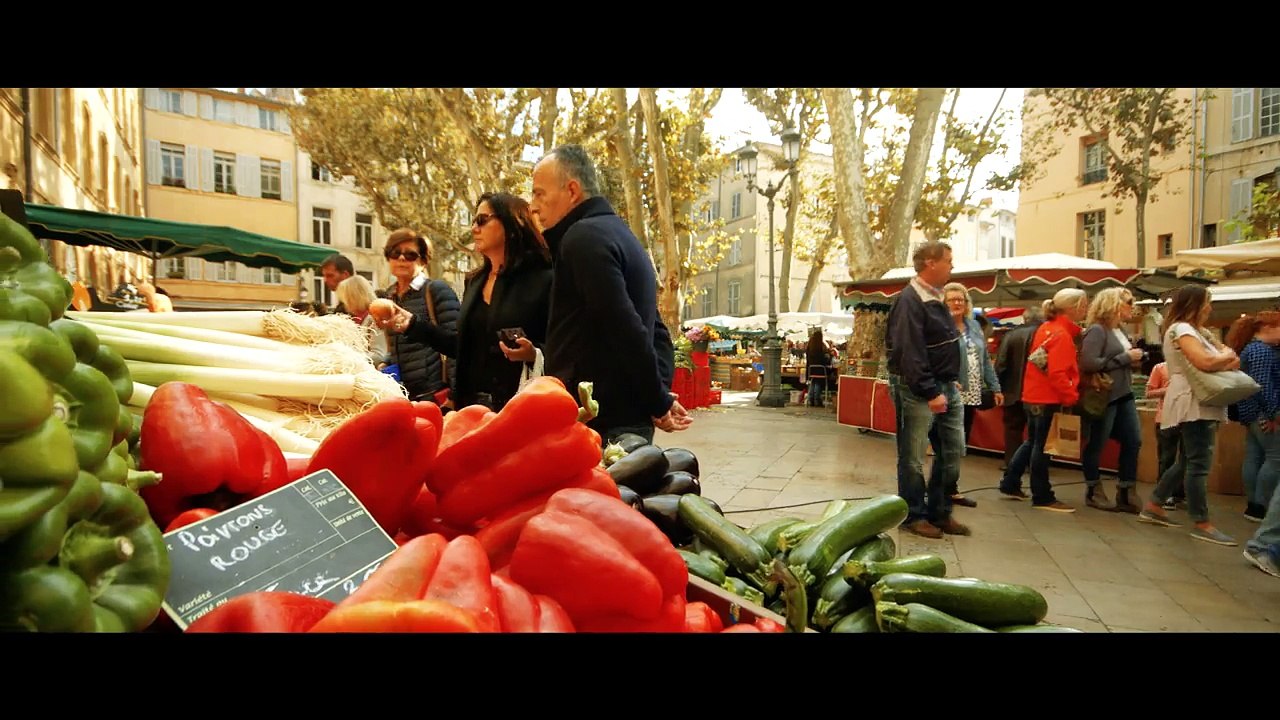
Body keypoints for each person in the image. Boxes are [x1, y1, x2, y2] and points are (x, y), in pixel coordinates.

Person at [530, 144, 689, 446]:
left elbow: (625, 326)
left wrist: (657, 400)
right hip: (626, 421)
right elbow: (656, 332)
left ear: (572, 190)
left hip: (601, 426)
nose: (533, 205)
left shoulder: (582, 238)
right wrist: (657, 396)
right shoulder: (622, 235)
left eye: (539, 193)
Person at [382, 192, 553, 412]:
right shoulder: (474, 281)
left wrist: (534, 353)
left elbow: (565, 347)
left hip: (521, 406)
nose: (474, 228)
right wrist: (411, 324)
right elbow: (462, 347)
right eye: (473, 221)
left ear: (512, 223)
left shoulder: (544, 278)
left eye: (482, 220)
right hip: (472, 408)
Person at [1138, 285, 1240, 546]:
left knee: (1188, 460)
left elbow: (1227, 360)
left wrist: (1224, 356)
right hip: (1193, 401)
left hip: (1195, 399)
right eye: (1207, 302)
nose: (1210, 307)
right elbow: (1206, 362)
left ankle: (1155, 504)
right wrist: (1225, 355)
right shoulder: (1183, 330)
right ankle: (1201, 522)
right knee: (1198, 463)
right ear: (1195, 304)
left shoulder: (1195, 331)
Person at [885, 241, 968, 539]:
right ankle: (913, 515)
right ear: (931, 263)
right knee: (913, 456)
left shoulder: (935, 297)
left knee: (952, 451)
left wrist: (949, 379)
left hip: (944, 385)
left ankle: (940, 511)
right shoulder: (910, 300)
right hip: (919, 388)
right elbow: (909, 350)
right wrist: (931, 390)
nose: (952, 266)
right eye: (948, 260)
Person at [999, 288, 1089, 513]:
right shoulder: (1062, 335)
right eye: (1084, 304)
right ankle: (1042, 495)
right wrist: (1071, 396)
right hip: (1047, 397)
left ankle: (1010, 482)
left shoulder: (1047, 329)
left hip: (1033, 395)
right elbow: (1058, 373)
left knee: (1032, 442)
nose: (1086, 309)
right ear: (1073, 308)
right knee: (1042, 447)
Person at [933, 283, 1002, 508]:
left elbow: (984, 361)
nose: (957, 303)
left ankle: (950, 488)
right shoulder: (939, 326)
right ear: (944, 303)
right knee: (947, 443)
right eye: (952, 299)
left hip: (972, 392)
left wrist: (995, 387)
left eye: (960, 299)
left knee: (960, 443)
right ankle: (940, 489)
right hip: (950, 391)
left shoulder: (974, 326)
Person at [1077, 287, 1146, 513]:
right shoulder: (1097, 330)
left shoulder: (1119, 330)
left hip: (1123, 393)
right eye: (1128, 302)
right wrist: (1125, 358)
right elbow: (1089, 363)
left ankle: (1126, 489)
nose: (1131, 307)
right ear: (1113, 305)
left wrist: (1133, 358)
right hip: (1104, 395)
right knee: (1097, 442)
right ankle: (1093, 489)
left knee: (1133, 440)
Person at [376, 229, 460, 408]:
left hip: (434, 395)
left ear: (423, 261)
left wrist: (454, 396)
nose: (401, 259)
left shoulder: (436, 290)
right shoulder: (390, 297)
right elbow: (400, 346)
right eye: (395, 253)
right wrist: (386, 362)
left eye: (410, 255)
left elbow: (457, 346)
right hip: (404, 396)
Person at [1225, 311, 1280, 523]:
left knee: (1254, 456)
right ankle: (1260, 505)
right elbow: (1262, 385)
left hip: (1250, 411)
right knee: (1275, 458)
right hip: (1262, 413)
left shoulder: (1252, 349)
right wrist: (1274, 412)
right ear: (1267, 327)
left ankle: (1254, 505)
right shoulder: (1262, 351)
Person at [996, 306, 1044, 471]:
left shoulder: (1011, 334)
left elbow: (1000, 364)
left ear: (1024, 318)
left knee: (1012, 429)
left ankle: (1012, 463)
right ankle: (1035, 463)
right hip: (1038, 392)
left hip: (1011, 391)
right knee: (1037, 432)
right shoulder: (1046, 333)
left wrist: (998, 388)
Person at [1145, 361, 1186, 510]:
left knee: (1185, 458)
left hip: (1186, 418)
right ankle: (1163, 494)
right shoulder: (1160, 368)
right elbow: (1149, 392)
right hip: (1165, 419)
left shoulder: (1191, 368)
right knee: (1166, 458)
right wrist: (1169, 390)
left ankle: (1179, 493)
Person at [336, 275, 389, 366]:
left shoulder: (376, 318)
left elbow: (379, 355)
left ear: (355, 297)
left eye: (345, 298)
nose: (344, 303)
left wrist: (348, 358)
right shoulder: (358, 318)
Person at [806, 328, 834, 407]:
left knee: (813, 382)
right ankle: (817, 399)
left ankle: (811, 398)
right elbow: (824, 361)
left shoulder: (810, 349)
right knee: (818, 383)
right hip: (820, 371)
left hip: (811, 370)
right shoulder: (820, 349)